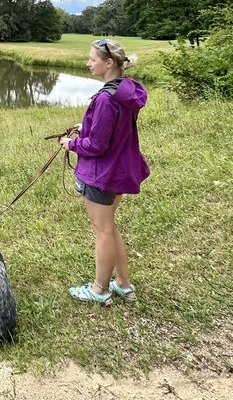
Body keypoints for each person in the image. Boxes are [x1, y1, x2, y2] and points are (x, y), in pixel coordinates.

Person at [58, 38, 149, 306]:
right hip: (120, 169)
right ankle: (122, 284)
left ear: (109, 63)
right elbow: (111, 128)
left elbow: (97, 144)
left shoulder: (106, 99)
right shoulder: (124, 90)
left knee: (103, 230)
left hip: (103, 173)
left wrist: (70, 143)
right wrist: (87, 123)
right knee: (109, 227)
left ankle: (99, 289)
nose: (88, 63)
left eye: (92, 59)